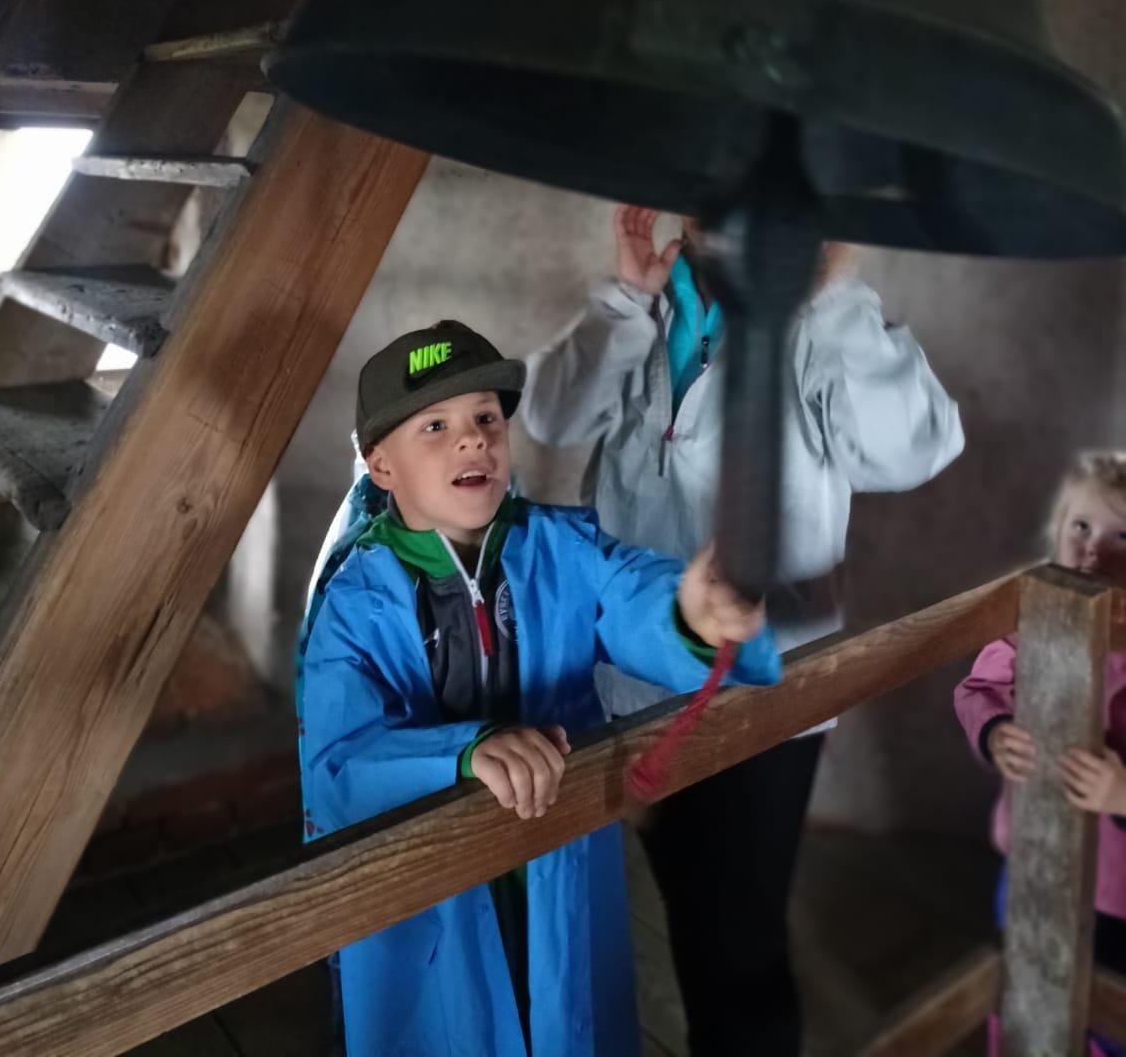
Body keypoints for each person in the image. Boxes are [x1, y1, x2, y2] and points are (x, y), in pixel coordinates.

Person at [521, 205, 964, 1055]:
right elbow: (551, 414)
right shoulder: (648, 311)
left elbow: (912, 447)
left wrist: (835, 298)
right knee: (668, 902)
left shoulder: (815, 320)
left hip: (769, 686)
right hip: (635, 674)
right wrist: (625, 300)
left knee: (737, 938)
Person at [297, 319, 781, 1057]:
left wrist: (692, 615)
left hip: (556, 869)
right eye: (435, 426)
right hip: (432, 902)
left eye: (487, 418)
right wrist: (464, 754)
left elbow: (628, 595)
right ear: (380, 467)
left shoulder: (560, 548)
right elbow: (338, 765)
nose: (473, 440)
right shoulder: (354, 603)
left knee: (566, 1012)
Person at [956, 451, 1126, 1057]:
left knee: (1105, 1010)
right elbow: (980, 688)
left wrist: (1122, 792)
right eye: (1080, 525)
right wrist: (996, 730)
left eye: (1121, 535)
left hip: (1119, 891)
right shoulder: (1034, 613)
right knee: (1027, 983)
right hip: (1035, 851)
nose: (1092, 548)